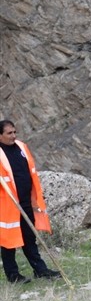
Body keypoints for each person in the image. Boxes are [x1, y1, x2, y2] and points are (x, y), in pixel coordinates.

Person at [0, 120, 59, 284]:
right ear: (0, 135)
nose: (14, 136)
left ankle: (40, 270)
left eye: (14, 132)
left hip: (25, 201)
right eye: (9, 133)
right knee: (8, 241)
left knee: (29, 237)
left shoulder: (21, 147)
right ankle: (13, 276)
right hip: (7, 205)